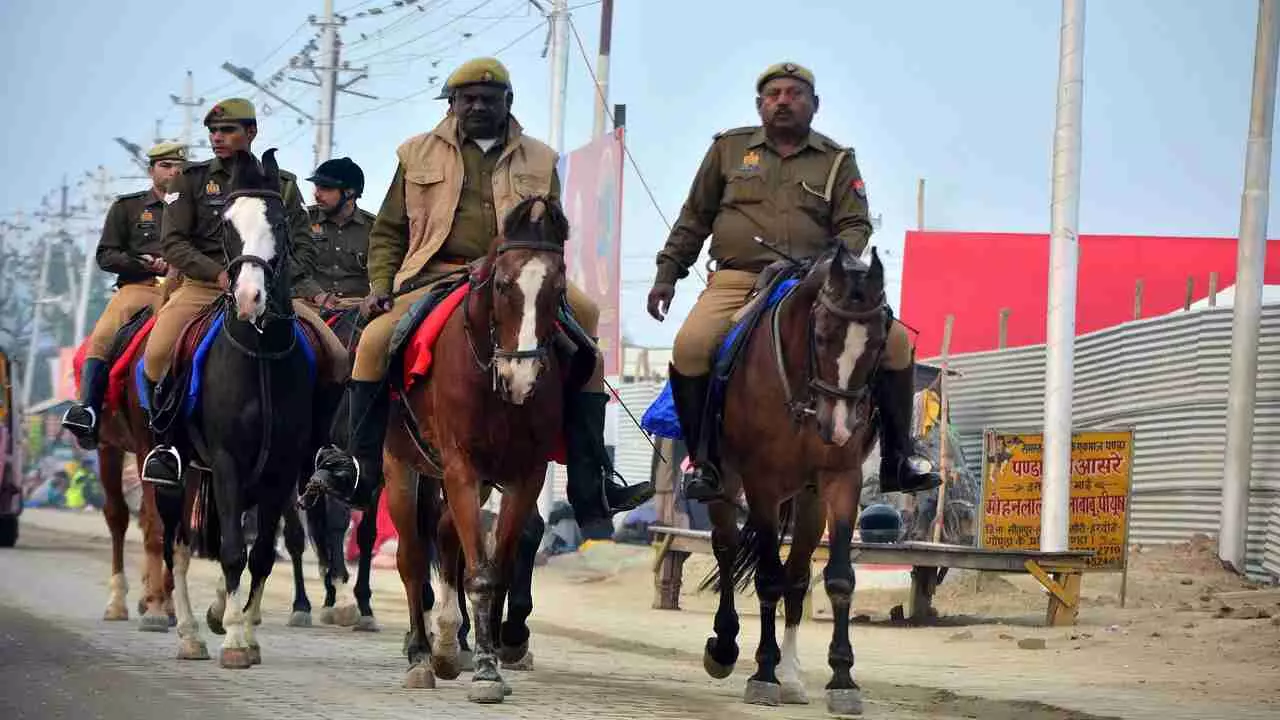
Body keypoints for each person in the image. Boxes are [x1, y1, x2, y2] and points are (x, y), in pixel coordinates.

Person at [308, 57, 651, 535]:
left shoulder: (541, 157)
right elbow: (388, 231)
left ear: (507, 102)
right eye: (467, 98)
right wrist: (381, 288)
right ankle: (360, 468)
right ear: (452, 104)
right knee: (371, 343)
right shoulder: (416, 153)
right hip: (434, 272)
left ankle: (591, 483)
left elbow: (550, 232)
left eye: (489, 98)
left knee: (587, 329)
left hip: (516, 271)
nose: (478, 106)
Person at [647, 62, 941, 503]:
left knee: (897, 343)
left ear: (814, 105)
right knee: (690, 347)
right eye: (774, 94)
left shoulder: (838, 159)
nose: (783, 100)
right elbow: (694, 218)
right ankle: (705, 461)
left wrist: (828, 263)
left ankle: (899, 456)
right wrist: (668, 274)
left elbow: (856, 225)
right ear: (759, 105)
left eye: (795, 93)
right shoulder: (728, 151)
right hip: (738, 278)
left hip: (814, 281)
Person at [137, 98, 350, 488]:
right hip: (205, 286)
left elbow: (302, 245)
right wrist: (217, 273)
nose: (218, 137)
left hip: (269, 289)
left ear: (251, 133)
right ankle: (167, 447)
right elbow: (174, 243)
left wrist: (276, 280)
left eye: (228, 130)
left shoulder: (281, 184)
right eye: (213, 132)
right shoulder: (193, 179)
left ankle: (324, 447)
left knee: (337, 356)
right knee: (155, 356)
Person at [61, 142, 186, 449]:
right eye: (165, 165)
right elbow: (106, 255)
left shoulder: (195, 207)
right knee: (105, 332)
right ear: (151, 170)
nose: (172, 172)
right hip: (141, 289)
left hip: (186, 289)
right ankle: (88, 409)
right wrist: (141, 262)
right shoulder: (128, 207)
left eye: (177, 166)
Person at [302, 157, 374, 312]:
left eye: (325, 188)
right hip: (309, 306)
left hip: (356, 312)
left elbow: (387, 272)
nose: (316, 194)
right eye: (317, 187)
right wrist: (315, 294)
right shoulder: (302, 221)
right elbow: (290, 267)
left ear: (349, 192)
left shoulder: (375, 229)